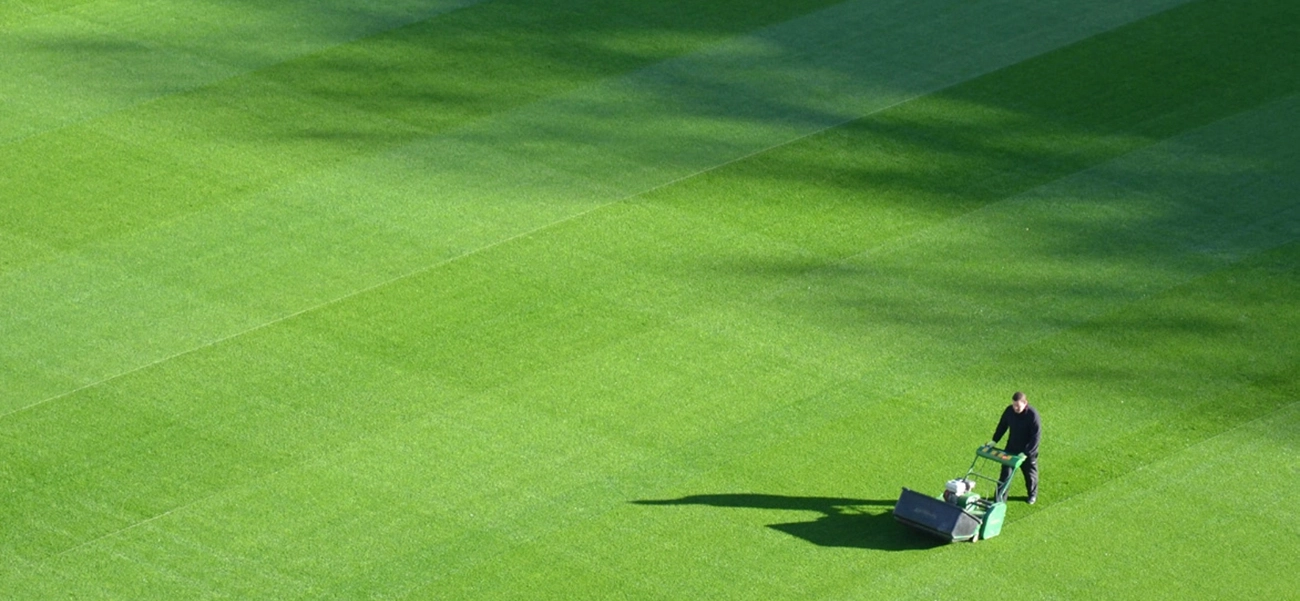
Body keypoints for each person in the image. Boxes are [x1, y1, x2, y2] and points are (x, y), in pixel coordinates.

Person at [990, 391, 1040, 504]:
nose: (1015, 408)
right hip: (1012, 448)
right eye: (1014, 405)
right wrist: (994, 440)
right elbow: (1002, 426)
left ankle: (1032, 495)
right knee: (1005, 475)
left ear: (1025, 403)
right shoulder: (1009, 411)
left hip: (1028, 452)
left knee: (1030, 475)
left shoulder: (1033, 415)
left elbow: (1036, 437)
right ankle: (999, 500)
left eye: (1018, 405)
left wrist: (1026, 453)